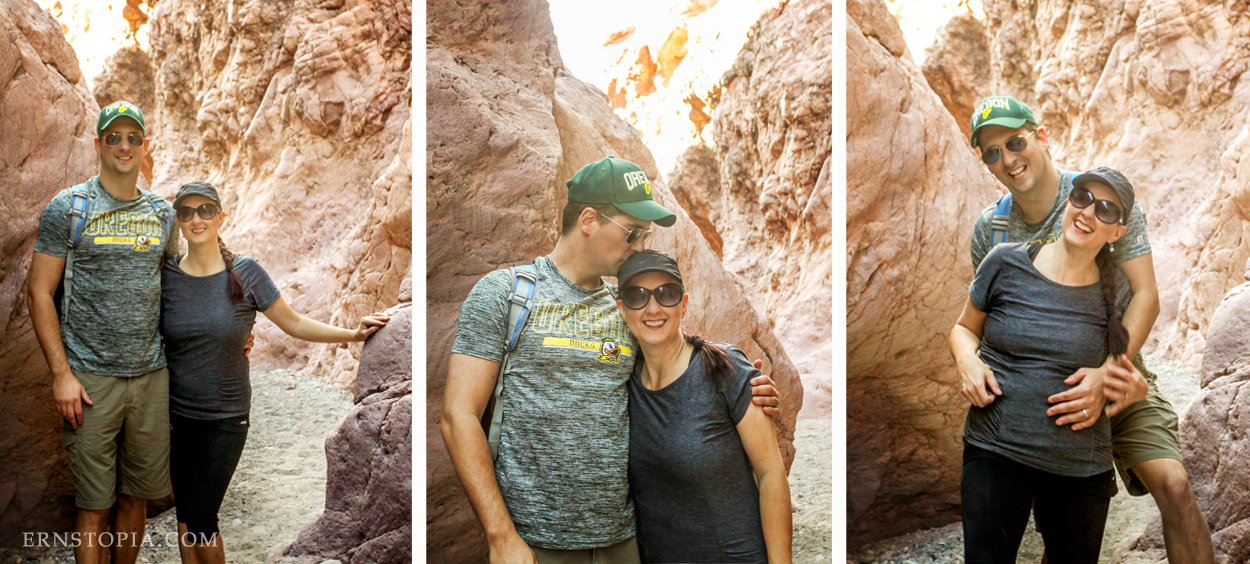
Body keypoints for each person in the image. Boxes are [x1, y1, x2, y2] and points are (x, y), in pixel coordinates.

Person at [440, 156, 781, 564]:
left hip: (625, 542)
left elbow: (674, 351)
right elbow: (457, 416)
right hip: (535, 544)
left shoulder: (626, 307)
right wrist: (501, 537)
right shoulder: (504, 295)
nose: (639, 247)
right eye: (632, 232)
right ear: (588, 220)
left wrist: (740, 378)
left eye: (645, 236)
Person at [963, 97, 1214, 563]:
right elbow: (986, 317)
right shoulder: (992, 230)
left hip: (1115, 373)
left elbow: (1145, 295)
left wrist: (1107, 373)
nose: (1008, 159)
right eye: (992, 152)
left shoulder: (1100, 197)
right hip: (1040, 399)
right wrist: (969, 361)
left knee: (1174, 485)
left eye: (1014, 142)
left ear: (1040, 136)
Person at [159, 181, 387, 564]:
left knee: (200, 516)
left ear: (220, 217)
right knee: (186, 517)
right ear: (178, 221)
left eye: (204, 210)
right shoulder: (168, 277)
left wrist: (352, 333)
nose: (196, 219)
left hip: (225, 417)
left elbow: (294, 323)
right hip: (176, 415)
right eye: (186, 212)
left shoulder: (245, 272)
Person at [952, 167, 1145, 561]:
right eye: (1082, 198)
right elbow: (963, 329)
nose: (1089, 212)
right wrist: (966, 360)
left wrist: (1119, 386)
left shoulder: (1121, 294)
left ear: (1118, 233)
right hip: (995, 450)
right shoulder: (1003, 262)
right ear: (1068, 202)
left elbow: (1130, 376)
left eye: (1106, 210)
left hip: (1080, 467)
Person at [28, 100, 177, 564]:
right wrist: (61, 375)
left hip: (151, 377)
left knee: (137, 499)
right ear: (98, 144)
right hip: (90, 382)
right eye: (114, 137)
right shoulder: (69, 208)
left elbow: (178, 288)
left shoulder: (161, 213)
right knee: (94, 505)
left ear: (145, 145)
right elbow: (38, 292)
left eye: (133, 137)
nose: (124, 145)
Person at [616, 250, 791, 564]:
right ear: (622, 309)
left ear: (683, 304)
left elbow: (771, 474)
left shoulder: (725, 369)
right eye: (637, 296)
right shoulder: (621, 381)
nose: (652, 307)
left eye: (665, 294)